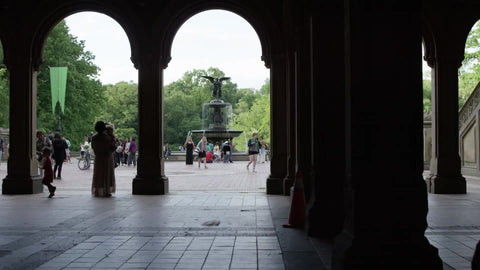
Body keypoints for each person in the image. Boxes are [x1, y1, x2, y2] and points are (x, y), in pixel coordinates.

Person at [91, 121, 116, 197]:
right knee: (107, 174)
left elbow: (93, 147)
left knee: (98, 174)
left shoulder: (94, 138)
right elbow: (113, 148)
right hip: (107, 158)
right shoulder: (107, 138)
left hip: (98, 158)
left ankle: (97, 190)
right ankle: (106, 191)